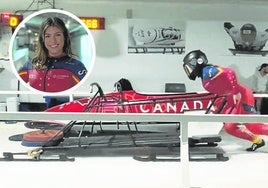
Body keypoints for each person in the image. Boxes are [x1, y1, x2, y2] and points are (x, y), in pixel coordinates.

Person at [182, 49, 268, 151]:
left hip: (242, 95)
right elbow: (222, 90)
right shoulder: (206, 74)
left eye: (190, 65)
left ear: (198, 61)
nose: (189, 69)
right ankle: (257, 141)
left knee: (254, 127)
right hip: (233, 98)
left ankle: (257, 139)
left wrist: (235, 92)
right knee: (229, 128)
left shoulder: (208, 71)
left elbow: (230, 72)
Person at [18, 17, 87, 92]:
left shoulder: (76, 66)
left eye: (58, 35)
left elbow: (85, 93)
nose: (53, 41)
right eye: (48, 36)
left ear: (65, 37)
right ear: (43, 40)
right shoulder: (31, 64)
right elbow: (16, 82)